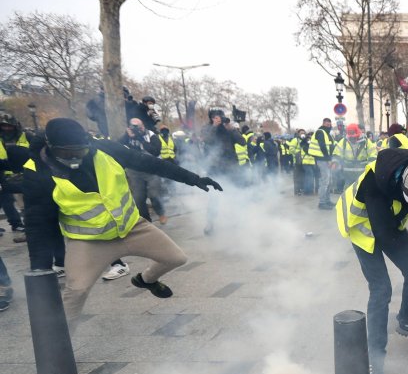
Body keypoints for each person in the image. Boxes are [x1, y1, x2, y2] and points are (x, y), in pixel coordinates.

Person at [17, 118, 222, 323]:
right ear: (51, 147)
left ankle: (146, 280)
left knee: (176, 258)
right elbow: (38, 223)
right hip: (89, 241)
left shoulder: (105, 149)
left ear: (87, 143)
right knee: (76, 292)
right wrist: (39, 270)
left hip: (132, 228)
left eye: (79, 151)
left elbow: (150, 163)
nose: (73, 157)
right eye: (66, 152)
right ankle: (56, 349)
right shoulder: (37, 171)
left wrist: (194, 179)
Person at [336, 149, 408, 374]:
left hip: (389, 225)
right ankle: (375, 361)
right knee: (381, 290)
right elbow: (383, 235)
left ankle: (407, 321)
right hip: (363, 229)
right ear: (401, 180)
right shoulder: (375, 185)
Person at [200, 109, 245, 235]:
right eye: (215, 117)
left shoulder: (228, 129)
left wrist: (232, 129)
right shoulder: (207, 128)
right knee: (214, 197)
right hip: (215, 169)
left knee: (234, 194)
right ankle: (210, 223)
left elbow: (242, 142)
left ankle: (235, 220)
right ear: (211, 118)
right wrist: (214, 126)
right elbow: (207, 139)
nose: (218, 119)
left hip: (231, 167)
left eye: (219, 117)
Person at [0, 112, 30, 234]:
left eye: (9, 126)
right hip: (4, 174)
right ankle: (16, 223)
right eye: (4, 126)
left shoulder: (26, 136)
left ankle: (28, 225)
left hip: (26, 173)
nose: (7, 128)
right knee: (7, 201)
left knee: (27, 202)